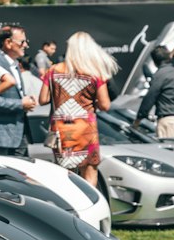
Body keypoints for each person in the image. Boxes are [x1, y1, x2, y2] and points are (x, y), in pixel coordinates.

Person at [40, 31, 117, 185]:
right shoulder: (95, 73)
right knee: (89, 171)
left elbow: (43, 100)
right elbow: (105, 105)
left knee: (64, 174)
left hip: (62, 130)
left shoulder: (53, 70)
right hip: (86, 129)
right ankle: (91, 205)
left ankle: (68, 206)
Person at [0, 25, 37, 156]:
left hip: (19, 133)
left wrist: (26, 100)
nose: (26, 45)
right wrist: (21, 104)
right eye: (22, 42)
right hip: (2, 136)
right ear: (8, 43)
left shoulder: (14, 64)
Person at [133, 45, 174, 138]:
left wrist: (138, 120)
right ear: (169, 57)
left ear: (155, 62)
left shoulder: (159, 76)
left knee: (168, 152)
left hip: (169, 123)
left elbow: (149, 99)